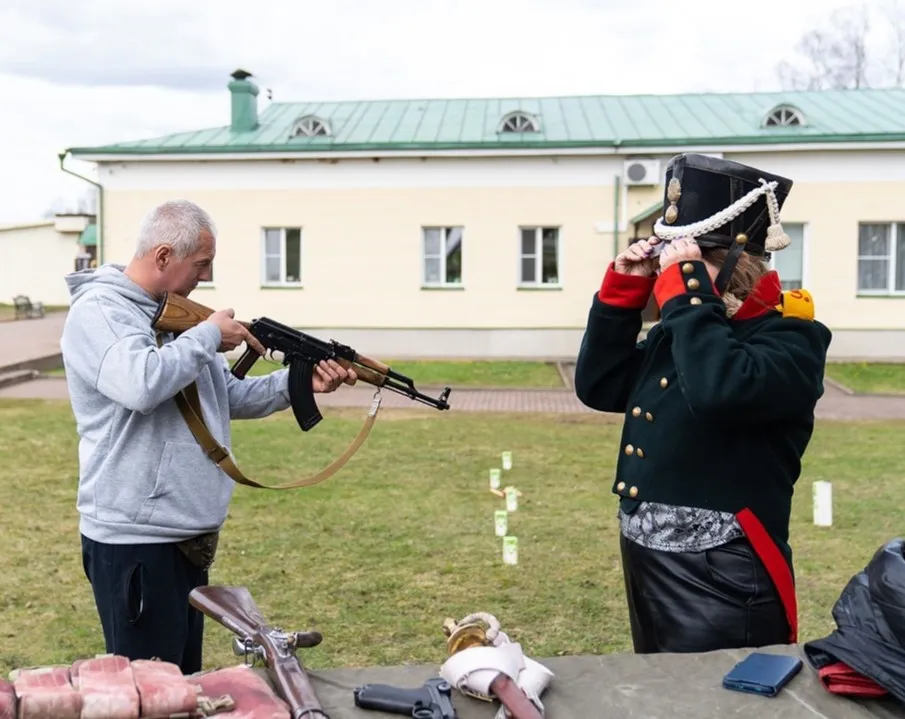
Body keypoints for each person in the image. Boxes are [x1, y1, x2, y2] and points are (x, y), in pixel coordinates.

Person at [59, 199, 357, 674]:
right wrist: (204, 338)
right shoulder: (99, 313)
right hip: (135, 543)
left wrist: (297, 384)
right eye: (200, 264)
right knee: (150, 692)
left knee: (184, 684)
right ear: (162, 256)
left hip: (183, 539)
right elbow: (140, 384)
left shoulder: (174, 316)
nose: (206, 276)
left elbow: (227, 396)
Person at [574, 153, 832, 654]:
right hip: (646, 553)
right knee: (658, 692)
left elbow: (720, 389)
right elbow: (600, 387)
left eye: (693, 259)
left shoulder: (791, 339)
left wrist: (687, 294)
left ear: (742, 263)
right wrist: (626, 289)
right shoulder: (687, 329)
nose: (673, 271)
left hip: (724, 570)